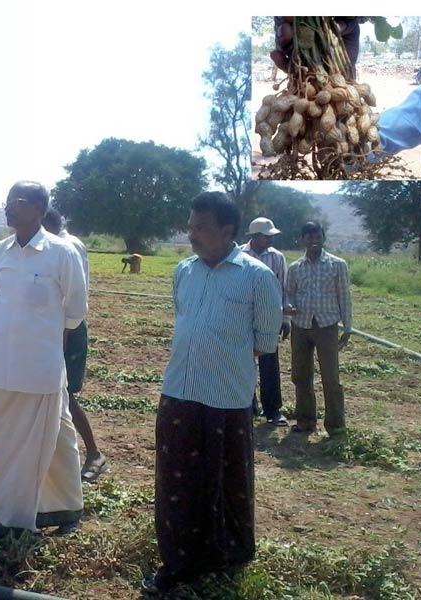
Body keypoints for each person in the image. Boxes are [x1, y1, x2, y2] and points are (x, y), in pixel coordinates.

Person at [143, 192, 282, 596]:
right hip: (177, 392)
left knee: (222, 480)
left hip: (226, 398)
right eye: (190, 227)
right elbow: (183, 320)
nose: (192, 235)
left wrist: (220, 358)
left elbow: (265, 343)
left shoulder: (257, 278)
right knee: (176, 483)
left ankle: (227, 552)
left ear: (228, 231)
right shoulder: (183, 272)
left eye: (200, 227)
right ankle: (178, 560)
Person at [0, 181, 87, 537]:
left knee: (33, 445)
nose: (8, 207)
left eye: (17, 202)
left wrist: (49, 349)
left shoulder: (62, 254)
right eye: (7, 200)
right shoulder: (0, 251)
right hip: (2, 364)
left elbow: (76, 311)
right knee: (24, 440)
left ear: (37, 209)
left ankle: (12, 519)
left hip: (40, 369)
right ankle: (66, 506)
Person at [271, 17, 421, 153]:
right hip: (336, 85)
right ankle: (347, 155)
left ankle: (345, 155)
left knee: (345, 113)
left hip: (341, 90)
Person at [41, 208, 108, 482]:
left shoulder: (67, 246)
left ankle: (94, 454)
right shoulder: (55, 244)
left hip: (68, 329)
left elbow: (72, 301)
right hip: (52, 329)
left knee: (64, 393)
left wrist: (61, 337)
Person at [285, 221, 352, 436]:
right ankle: (305, 421)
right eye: (309, 237)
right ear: (303, 240)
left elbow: (344, 296)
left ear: (323, 238)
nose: (313, 241)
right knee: (300, 375)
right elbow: (289, 293)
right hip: (301, 325)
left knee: (330, 377)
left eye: (317, 237)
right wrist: (289, 306)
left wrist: (348, 327)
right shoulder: (295, 267)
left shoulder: (337, 265)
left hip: (327, 326)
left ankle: (335, 426)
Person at [241, 217, 291, 426]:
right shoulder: (239, 255)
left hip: (269, 317)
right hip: (243, 316)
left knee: (269, 362)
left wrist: (285, 319)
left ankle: (273, 410)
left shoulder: (277, 258)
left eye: (271, 236)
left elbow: (284, 289)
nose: (270, 240)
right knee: (243, 361)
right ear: (255, 237)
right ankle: (247, 404)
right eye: (266, 236)